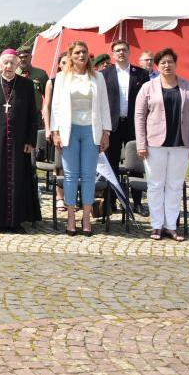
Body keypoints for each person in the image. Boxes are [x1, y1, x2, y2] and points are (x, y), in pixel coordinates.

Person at [50, 40, 111, 236]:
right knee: (70, 175)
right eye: (77, 53)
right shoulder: (61, 77)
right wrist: (55, 131)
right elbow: (56, 107)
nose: (81, 56)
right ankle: (70, 217)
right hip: (69, 131)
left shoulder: (98, 77)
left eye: (84, 52)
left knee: (88, 176)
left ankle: (86, 217)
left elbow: (104, 106)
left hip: (91, 131)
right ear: (70, 56)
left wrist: (106, 132)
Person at [0, 50, 40, 233]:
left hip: (20, 140)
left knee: (18, 179)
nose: (8, 66)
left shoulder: (26, 85)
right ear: (0, 64)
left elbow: (32, 115)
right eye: (5, 63)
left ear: (17, 65)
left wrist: (31, 139)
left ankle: (16, 221)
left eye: (12, 63)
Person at [134, 48, 189, 242]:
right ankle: (157, 225)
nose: (167, 65)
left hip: (181, 144)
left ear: (176, 64)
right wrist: (141, 144)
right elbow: (140, 116)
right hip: (154, 144)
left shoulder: (188, 87)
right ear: (157, 66)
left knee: (175, 186)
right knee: (155, 185)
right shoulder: (147, 87)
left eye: (170, 62)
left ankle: (171, 226)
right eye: (163, 63)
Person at [102, 39, 151, 216]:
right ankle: (112, 201)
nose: (121, 53)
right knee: (111, 163)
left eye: (124, 49)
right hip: (112, 126)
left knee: (136, 165)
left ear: (129, 52)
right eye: (117, 50)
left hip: (134, 125)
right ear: (113, 54)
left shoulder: (141, 74)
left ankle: (137, 202)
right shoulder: (104, 74)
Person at [43, 52, 69, 210]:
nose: (67, 65)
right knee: (59, 164)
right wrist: (48, 128)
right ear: (59, 64)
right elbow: (46, 107)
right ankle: (60, 197)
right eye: (64, 62)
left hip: (74, 127)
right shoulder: (52, 82)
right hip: (57, 128)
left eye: (69, 62)